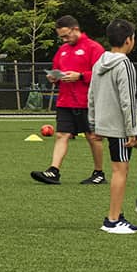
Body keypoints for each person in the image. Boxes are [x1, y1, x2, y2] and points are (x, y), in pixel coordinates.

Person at [86, 19, 137, 234]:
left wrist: (93, 124)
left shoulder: (99, 62)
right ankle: (112, 220)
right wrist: (131, 130)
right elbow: (128, 100)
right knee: (119, 171)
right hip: (120, 126)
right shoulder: (124, 64)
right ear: (128, 40)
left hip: (107, 122)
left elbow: (91, 95)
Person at [29, 16, 109, 189]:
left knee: (93, 137)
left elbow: (101, 75)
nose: (64, 40)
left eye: (66, 35)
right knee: (61, 135)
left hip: (88, 102)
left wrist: (80, 76)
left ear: (75, 29)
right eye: (61, 37)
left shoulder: (94, 48)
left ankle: (99, 173)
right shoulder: (63, 50)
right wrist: (53, 77)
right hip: (65, 101)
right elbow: (57, 70)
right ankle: (53, 171)